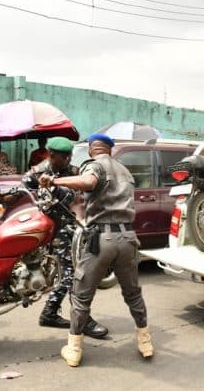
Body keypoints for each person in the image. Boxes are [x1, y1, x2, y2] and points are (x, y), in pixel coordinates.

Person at [39, 133, 153, 367]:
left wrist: (54, 181)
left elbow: (89, 182)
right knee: (133, 293)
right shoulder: (125, 171)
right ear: (109, 150)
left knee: (82, 294)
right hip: (128, 237)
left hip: (103, 239)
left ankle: (74, 349)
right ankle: (145, 342)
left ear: (92, 149)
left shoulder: (94, 166)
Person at [0, 137, 107, 339]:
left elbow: (84, 194)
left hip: (70, 230)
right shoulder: (38, 172)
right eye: (63, 157)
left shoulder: (74, 172)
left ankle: (52, 313)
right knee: (72, 275)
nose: (67, 160)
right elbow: (19, 191)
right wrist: (5, 198)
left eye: (69, 156)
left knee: (71, 275)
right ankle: (75, 318)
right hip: (47, 230)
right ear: (51, 155)